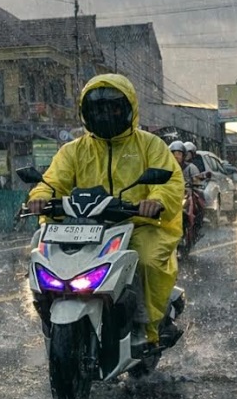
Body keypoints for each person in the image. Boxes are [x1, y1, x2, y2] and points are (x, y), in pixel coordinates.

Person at [27, 74, 184, 347]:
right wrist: (40, 196)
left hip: (139, 225)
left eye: (112, 107)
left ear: (129, 108)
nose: (105, 114)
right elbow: (53, 180)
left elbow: (169, 180)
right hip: (82, 227)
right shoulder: (73, 150)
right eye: (97, 109)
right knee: (40, 254)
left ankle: (146, 326)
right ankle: (50, 315)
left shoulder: (149, 144)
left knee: (145, 259)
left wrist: (156, 200)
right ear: (85, 113)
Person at [170, 140, 206, 234]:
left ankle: (198, 224)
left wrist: (196, 182)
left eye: (178, 153)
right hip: (171, 194)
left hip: (187, 193)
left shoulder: (191, 167)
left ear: (183, 155)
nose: (176, 156)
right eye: (173, 153)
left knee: (198, 200)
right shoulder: (167, 167)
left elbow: (197, 180)